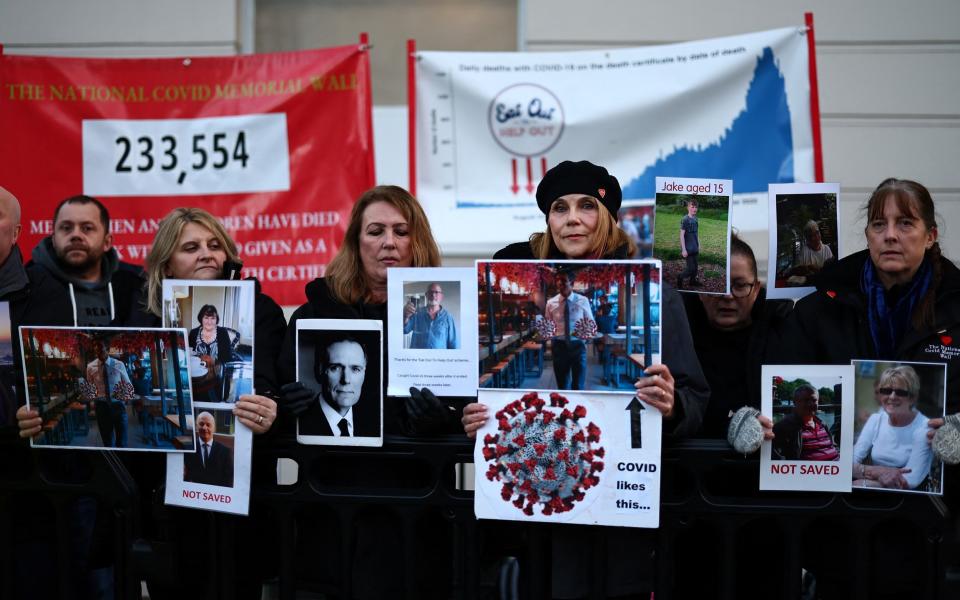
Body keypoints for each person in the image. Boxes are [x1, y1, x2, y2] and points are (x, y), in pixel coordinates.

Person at [465, 159, 709, 598]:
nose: (572, 218)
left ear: (608, 218)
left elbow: (695, 396)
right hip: (539, 503)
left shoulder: (658, 292)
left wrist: (674, 407)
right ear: (548, 221)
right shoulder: (524, 282)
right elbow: (480, 395)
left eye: (586, 206)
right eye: (559, 208)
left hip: (621, 513)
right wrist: (475, 416)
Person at [771, 178, 960, 598]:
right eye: (879, 224)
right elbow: (779, 390)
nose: (890, 234)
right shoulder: (819, 311)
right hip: (837, 534)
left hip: (932, 539)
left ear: (930, 235)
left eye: (905, 223)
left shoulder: (956, 308)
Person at [279, 185, 461, 436]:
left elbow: (468, 412)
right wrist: (285, 407)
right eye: (376, 232)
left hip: (421, 471)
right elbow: (279, 410)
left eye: (401, 232)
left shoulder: (444, 317)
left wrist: (443, 419)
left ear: (418, 242)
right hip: (333, 472)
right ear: (356, 242)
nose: (389, 242)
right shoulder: (311, 316)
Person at [683, 234, 790, 439]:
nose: (728, 296)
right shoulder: (678, 339)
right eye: (716, 285)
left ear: (756, 289)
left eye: (739, 285)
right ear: (698, 289)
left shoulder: (782, 336)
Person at [852, 365, 932, 490]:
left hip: (906, 500)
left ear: (912, 398)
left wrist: (863, 482)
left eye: (900, 392)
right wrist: (878, 471)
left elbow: (911, 480)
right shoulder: (875, 420)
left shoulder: (925, 427)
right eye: (886, 391)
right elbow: (849, 461)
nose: (892, 397)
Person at [298, 335, 379, 437]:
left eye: (355, 369)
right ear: (319, 371)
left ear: (364, 373)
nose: (346, 379)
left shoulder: (373, 425)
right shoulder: (301, 423)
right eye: (335, 368)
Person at [544, 269, 594, 389]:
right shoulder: (551, 303)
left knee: (578, 384)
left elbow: (590, 322)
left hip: (578, 345)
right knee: (562, 385)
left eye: (563, 280)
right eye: (557, 280)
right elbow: (548, 326)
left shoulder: (583, 301)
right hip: (559, 346)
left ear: (571, 283)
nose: (560, 283)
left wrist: (585, 339)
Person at [85, 337, 134, 448]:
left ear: (108, 349)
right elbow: (90, 389)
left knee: (122, 442)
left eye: (101, 350)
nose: (98, 353)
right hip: (102, 407)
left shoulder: (119, 365)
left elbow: (128, 385)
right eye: (96, 351)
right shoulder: (90, 367)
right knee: (107, 442)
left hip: (118, 405)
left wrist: (124, 399)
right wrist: (91, 402)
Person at [188, 304, 241, 402]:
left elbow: (227, 358)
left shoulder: (222, 333)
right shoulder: (194, 333)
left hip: (218, 375)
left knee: (213, 396)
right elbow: (189, 354)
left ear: (216, 320)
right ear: (201, 318)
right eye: (206, 317)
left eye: (213, 318)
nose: (209, 321)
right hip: (198, 376)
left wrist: (213, 362)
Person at [771, 384, 839, 461]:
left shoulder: (822, 424)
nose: (810, 404)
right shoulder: (783, 427)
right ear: (795, 402)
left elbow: (833, 446)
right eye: (806, 400)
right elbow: (778, 461)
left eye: (814, 400)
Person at [184, 411, 234, 487]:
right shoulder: (188, 450)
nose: (204, 428)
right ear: (196, 427)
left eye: (208, 425)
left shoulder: (225, 452)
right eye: (201, 424)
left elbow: (229, 481)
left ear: (214, 428)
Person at [402, 282, 459, 349]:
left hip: (439, 358)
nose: (433, 295)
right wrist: (405, 316)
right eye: (430, 292)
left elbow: (453, 344)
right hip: (417, 358)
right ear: (426, 295)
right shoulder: (416, 313)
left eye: (436, 292)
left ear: (441, 296)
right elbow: (405, 330)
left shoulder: (448, 318)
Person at [677, 198, 701, 288]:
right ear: (688, 208)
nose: (695, 209)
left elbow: (696, 233)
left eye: (696, 207)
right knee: (690, 268)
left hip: (695, 247)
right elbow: (681, 235)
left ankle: (692, 281)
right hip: (688, 249)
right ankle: (680, 277)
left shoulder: (696, 219)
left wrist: (699, 244)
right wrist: (683, 249)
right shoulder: (685, 220)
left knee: (695, 268)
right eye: (692, 207)